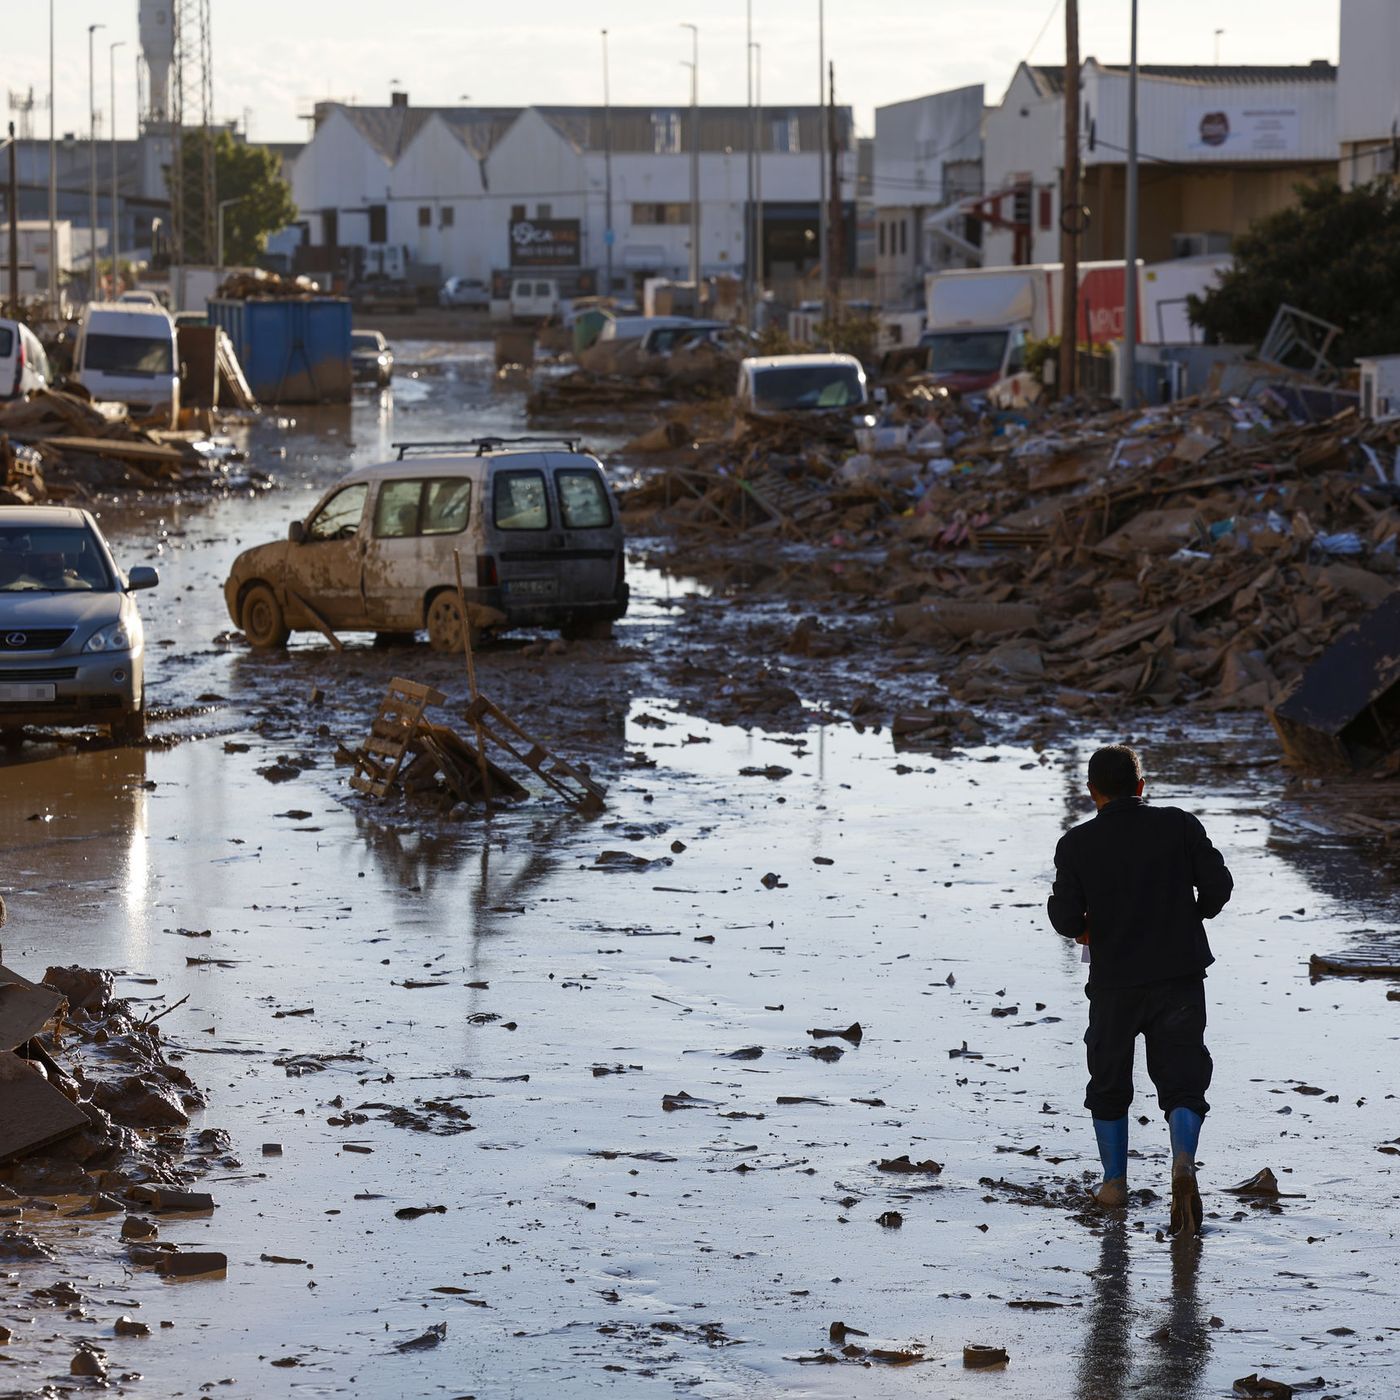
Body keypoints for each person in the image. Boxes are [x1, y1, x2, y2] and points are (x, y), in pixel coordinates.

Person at [1047, 744, 1233, 1236]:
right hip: (1180, 975)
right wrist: (1190, 915)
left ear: (1093, 793)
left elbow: (1065, 918)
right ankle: (1184, 1161)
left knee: (1109, 1081)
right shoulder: (1180, 825)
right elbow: (1218, 887)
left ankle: (1113, 1183)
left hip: (1114, 984)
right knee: (1184, 1078)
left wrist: (1087, 928)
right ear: (1141, 787)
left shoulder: (1077, 843)